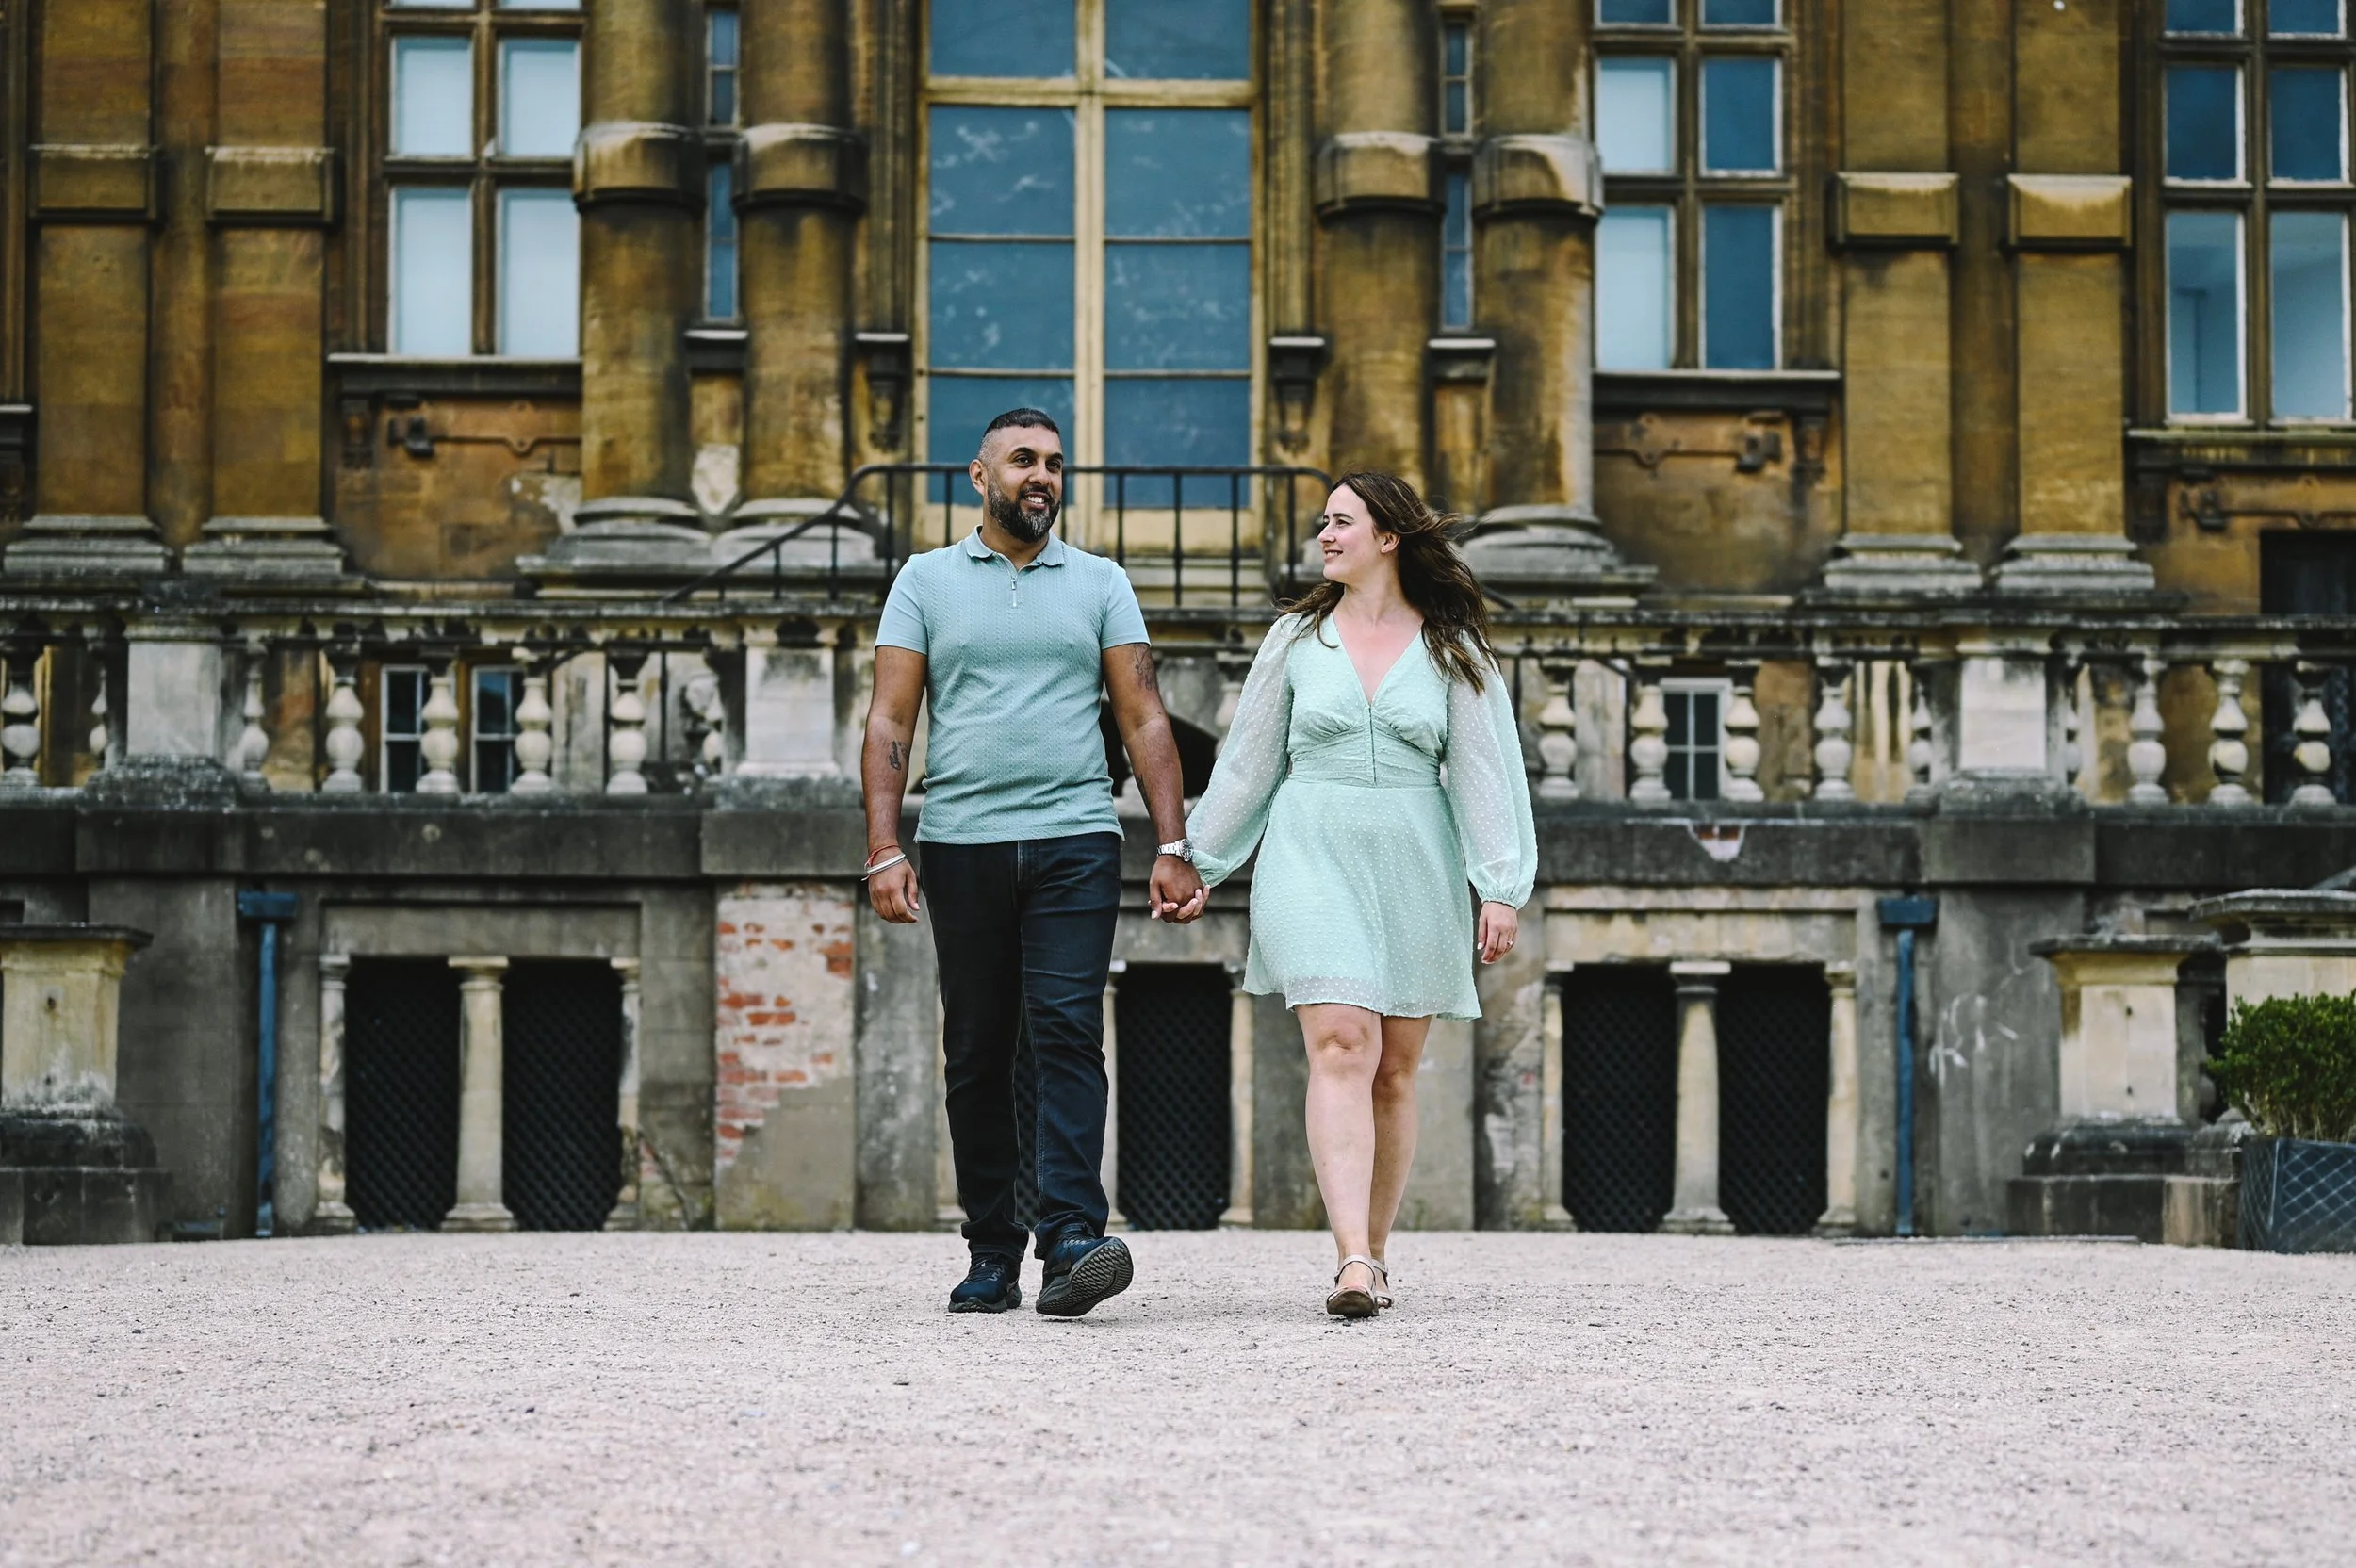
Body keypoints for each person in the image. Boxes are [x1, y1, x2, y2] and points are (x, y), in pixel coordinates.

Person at [862, 407, 1206, 1317]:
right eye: (1023, 461)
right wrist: (885, 847)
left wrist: (1173, 845)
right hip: (962, 840)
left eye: (1054, 463)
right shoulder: (925, 580)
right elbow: (892, 717)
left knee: (1067, 1033)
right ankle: (990, 1251)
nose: (1042, 477)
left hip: (1075, 838)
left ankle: (1071, 1241)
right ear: (980, 478)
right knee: (977, 1050)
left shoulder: (1100, 581)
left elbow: (1143, 714)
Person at [1185, 471, 1535, 1318]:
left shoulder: (1452, 646)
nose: (1325, 535)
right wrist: (1197, 860)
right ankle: (1348, 1259)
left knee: (1395, 1072)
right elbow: (1248, 762)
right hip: (1311, 848)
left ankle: (1376, 1256)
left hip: (1415, 858)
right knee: (1343, 1043)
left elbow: (1486, 770)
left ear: (1388, 537)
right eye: (1323, 522)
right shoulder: (1296, 639)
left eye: (1341, 521)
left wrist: (1499, 886)